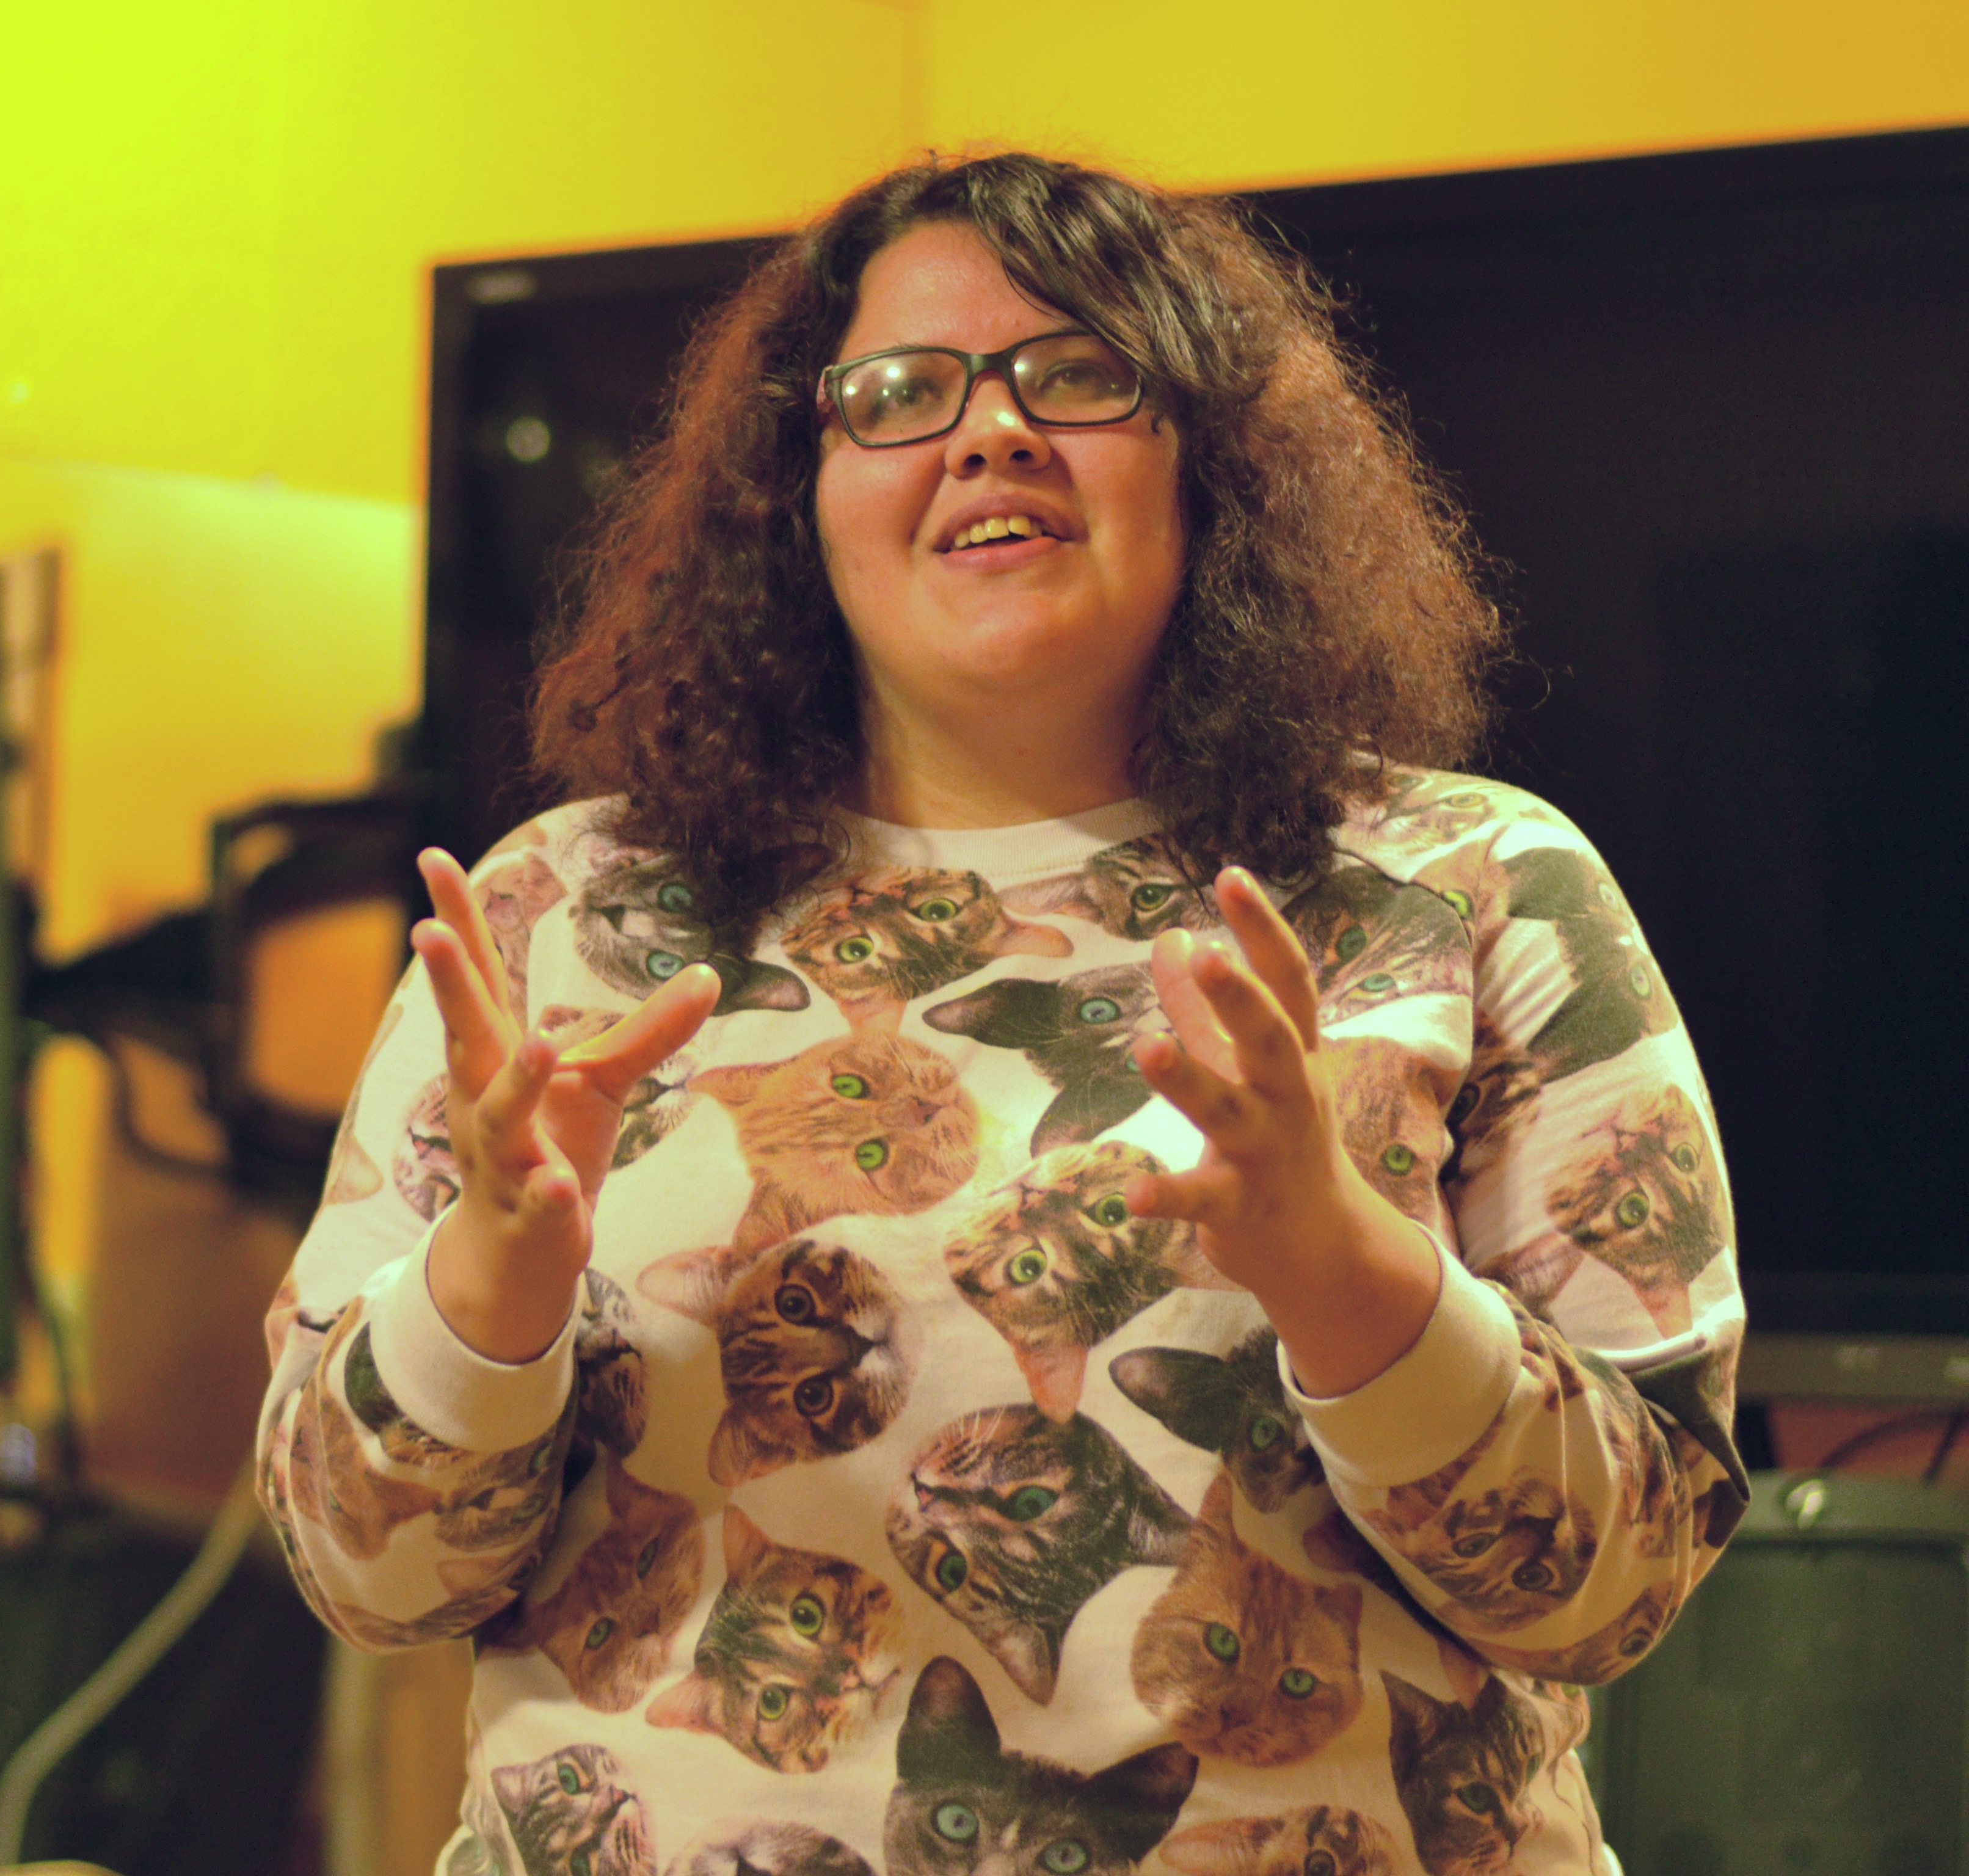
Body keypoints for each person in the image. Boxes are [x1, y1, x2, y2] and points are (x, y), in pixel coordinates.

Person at [260, 150, 1744, 1876]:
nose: (991, 433)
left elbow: (1625, 1590)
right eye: (901, 393)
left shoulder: (1470, 883)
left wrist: (1345, 1269)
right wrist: (490, 1286)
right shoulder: (557, 916)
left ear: (1210, 459)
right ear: (797, 493)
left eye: (1077, 374)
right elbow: (365, 1581)